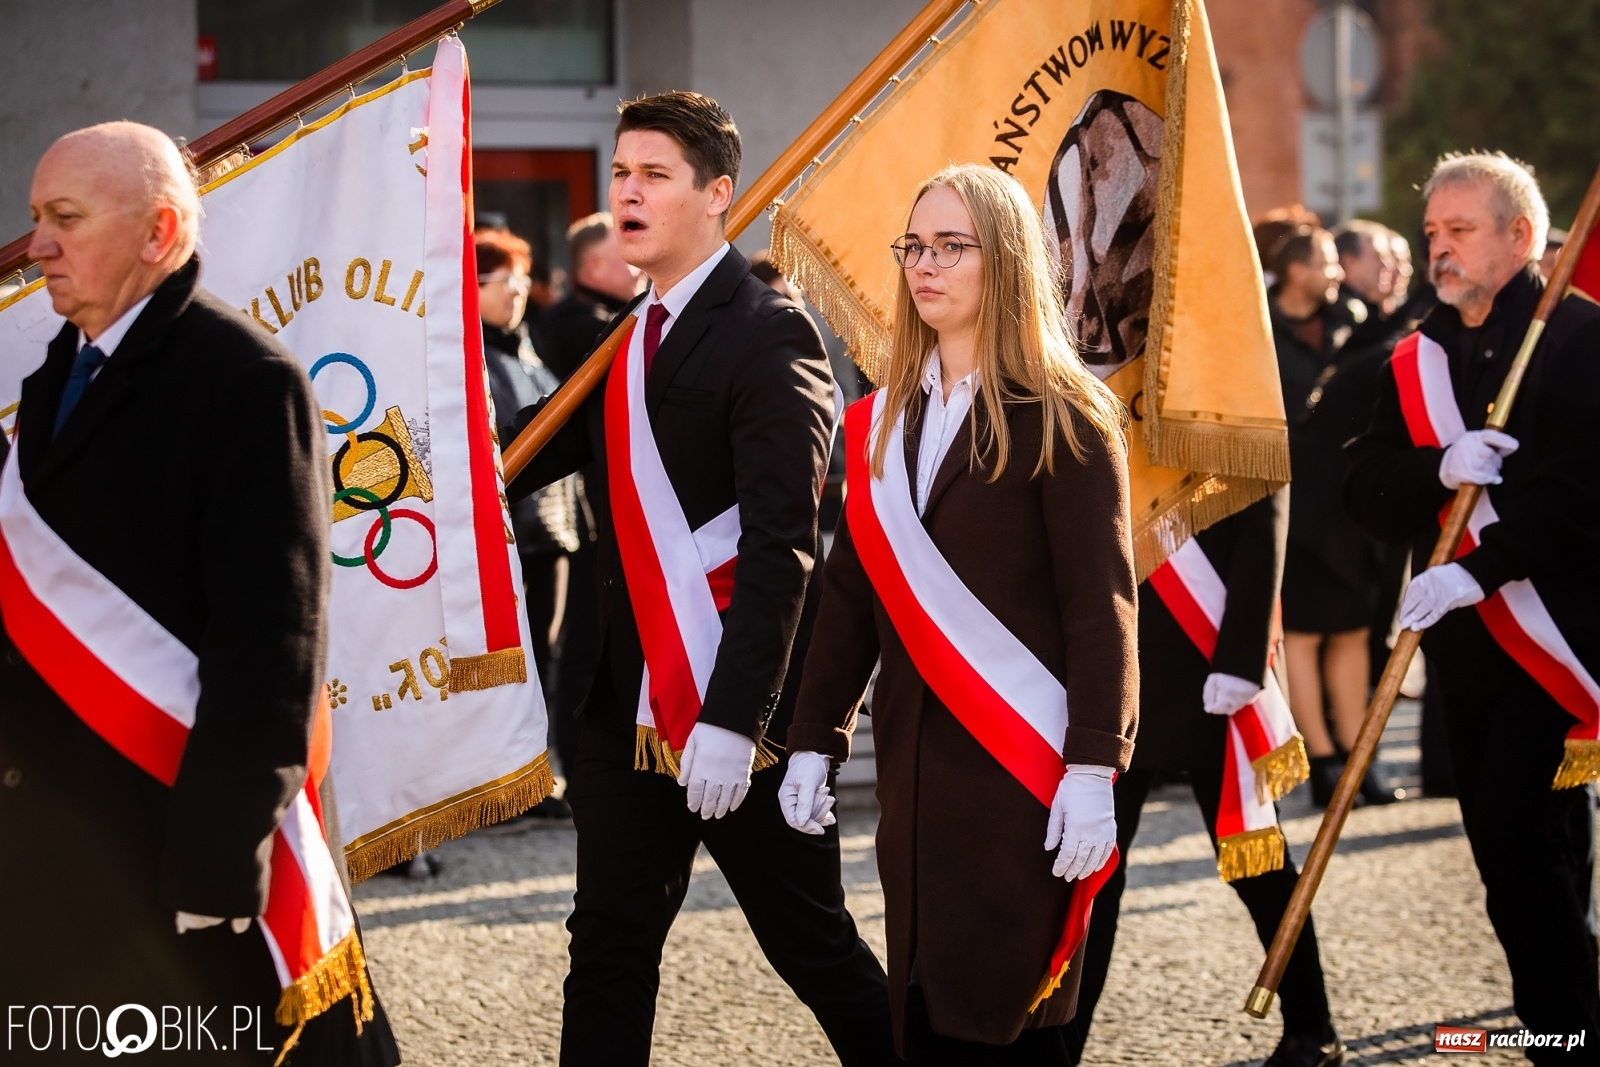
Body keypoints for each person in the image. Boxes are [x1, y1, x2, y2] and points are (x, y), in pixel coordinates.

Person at [506, 91, 895, 1066]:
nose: (627, 193)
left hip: (735, 714)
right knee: (606, 945)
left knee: (812, 945)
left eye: (653, 176)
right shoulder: (623, 336)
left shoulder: (767, 330)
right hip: (619, 702)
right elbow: (522, 457)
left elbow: (782, 544)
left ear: (718, 193)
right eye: (620, 174)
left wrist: (733, 717)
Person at [0, 121, 398, 1064]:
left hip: (167, 840)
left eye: (64, 218)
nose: (37, 245)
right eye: (33, 219)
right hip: (54, 839)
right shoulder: (60, 369)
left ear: (157, 230)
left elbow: (271, 649)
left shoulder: (245, 380)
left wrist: (220, 865)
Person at [781, 163, 1137, 1065]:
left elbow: (1101, 610)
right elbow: (850, 593)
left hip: (1026, 773)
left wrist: (1095, 765)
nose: (924, 266)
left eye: (951, 247)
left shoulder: (1066, 415)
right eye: (914, 247)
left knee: (1011, 1028)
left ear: (1007, 261)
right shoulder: (879, 420)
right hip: (914, 772)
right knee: (927, 1017)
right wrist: (815, 734)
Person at [1344, 151, 1600, 1061]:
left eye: (1460, 231)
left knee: (1515, 835)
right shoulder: (1415, 355)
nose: (1439, 250)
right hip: (1464, 641)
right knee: (1535, 840)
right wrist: (1435, 469)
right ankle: (1579, 990)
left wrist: (1483, 565)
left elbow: (1581, 493)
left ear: (1520, 236)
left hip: (1556, 629)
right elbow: (1361, 481)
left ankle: (1561, 1031)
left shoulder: (1578, 336)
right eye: (1432, 234)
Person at [1063, 492, 1346, 1067]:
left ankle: (1311, 1026)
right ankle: (1060, 1045)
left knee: (1255, 862)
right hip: (1116, 667)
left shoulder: (1223, 400)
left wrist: (1241, 659)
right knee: (1092, 870)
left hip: (1207, 658)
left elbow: (1263, 508)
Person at [1266, 223, 1397, 806]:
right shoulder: (1259, 326)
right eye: (1325, 262)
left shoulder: (1356, 321)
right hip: (1291, 505)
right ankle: (1318, 757)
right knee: (1302, 633)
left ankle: (1354, 756)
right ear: (1295, 269)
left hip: (1349, 502)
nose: (1336, 274)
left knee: (1352, 631)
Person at [535, 212, 641, 795]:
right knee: (581, 652)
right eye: (623, 257)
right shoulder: (573, 323)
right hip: (575, 522)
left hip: (589, 519)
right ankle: (579, 767)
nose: (634, 270)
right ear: (595, 265)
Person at [478, 226, 581, 816]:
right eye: (501, 281)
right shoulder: (471, 356)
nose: (517, 291)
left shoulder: (526, 345)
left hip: (551, 531)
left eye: (522, 279)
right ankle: (504, 785)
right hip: (508, 531)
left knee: (546, 656)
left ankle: (535, 776)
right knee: (509, 662)